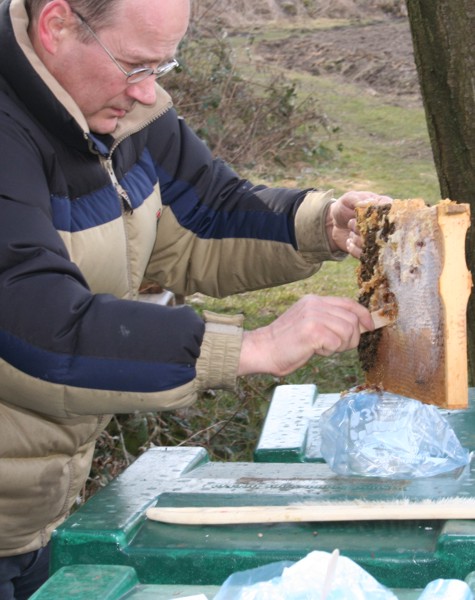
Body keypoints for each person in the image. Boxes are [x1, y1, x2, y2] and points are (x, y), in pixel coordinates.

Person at [0, 0, 391, 596]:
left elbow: (206, 212)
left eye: (163, 66)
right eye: (134, 65)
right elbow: (35, 323)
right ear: (56, 25)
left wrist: (320, 223)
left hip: (32, 516)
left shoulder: (121, 113)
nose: (147, 92)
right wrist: (248, 346)